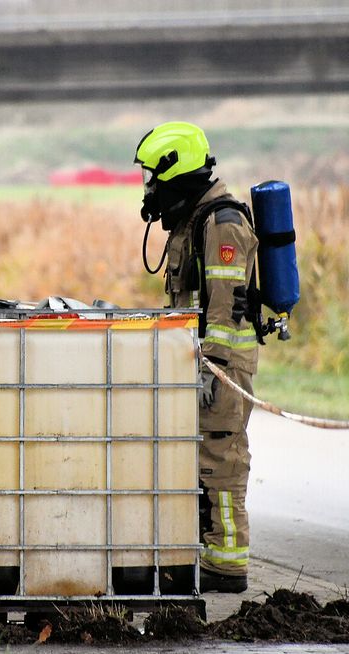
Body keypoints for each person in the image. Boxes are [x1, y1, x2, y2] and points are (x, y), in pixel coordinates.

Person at [135, 121, 259, 593]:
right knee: (195, 458)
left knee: (220, 459)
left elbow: (225, 307)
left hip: (219, 369)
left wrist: (214, 367)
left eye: (154, 177)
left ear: (177, 171)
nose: (150, 188)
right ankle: (201, 552)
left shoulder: (222, 222)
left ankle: (226, 564)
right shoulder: (196, 219)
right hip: (200, 366)